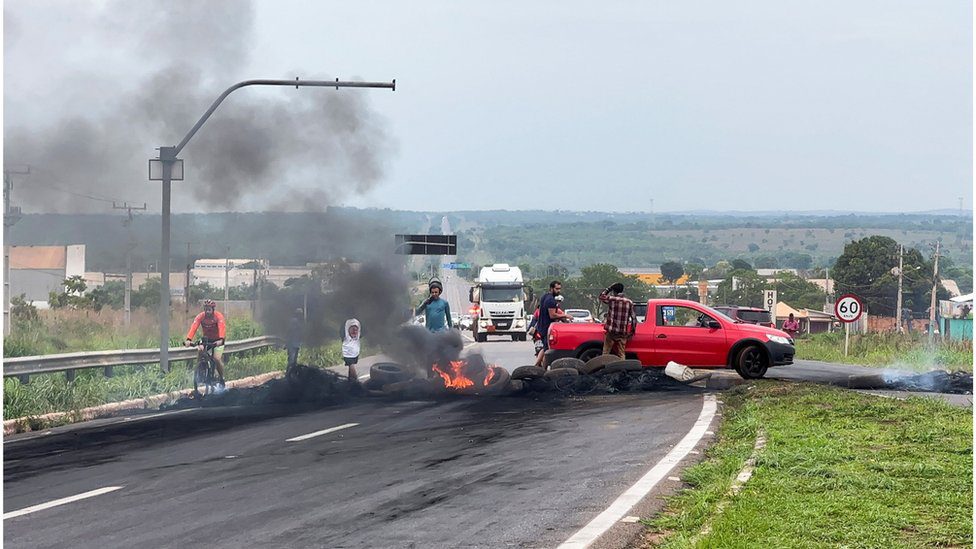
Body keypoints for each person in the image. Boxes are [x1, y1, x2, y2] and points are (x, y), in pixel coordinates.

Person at [184, 299, 227, 389]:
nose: (207, 312)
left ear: (213, 310)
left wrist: (221, 339)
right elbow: (194, 327)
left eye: (209, 310)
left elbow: (222, 327)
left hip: (218, 340)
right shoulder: (200, 317)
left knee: (216, 358)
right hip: (206, 339)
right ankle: (201, 370)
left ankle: (221, 377)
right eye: (206, 309)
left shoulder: (218, 317)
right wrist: (188, 339)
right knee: (200, 350)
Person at [535, 280, 574, 367]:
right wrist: (566, 315)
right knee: (548, 350)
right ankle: (542, 369)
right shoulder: (550, 300)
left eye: (560, 289)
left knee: (545, 348)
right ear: (551, 288)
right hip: (546, 328)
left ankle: (537, 365)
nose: (559, 291)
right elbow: (552, 315)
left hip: (541, 326)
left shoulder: (544, 296)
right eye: (557, 289)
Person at [598, 282, 637, 359]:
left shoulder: (611, 299)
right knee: (621, 354)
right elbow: (633, 318)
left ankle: (604, 367)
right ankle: (622, 369)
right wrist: (632, 331)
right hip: (622, 332)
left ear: (614, 291)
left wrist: (609, 288)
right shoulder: (629, 302)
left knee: (606, 352)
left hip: (611, 331)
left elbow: (601, 296)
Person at [341, 318, 362, 383]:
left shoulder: (357, 336)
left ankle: (351, 381)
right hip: (347, 351)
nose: (354, 331)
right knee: (351, 365)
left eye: (356, 330)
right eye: (352, 329)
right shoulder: (346, 335)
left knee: (351, 366)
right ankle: (354, 382)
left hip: (355, 351)